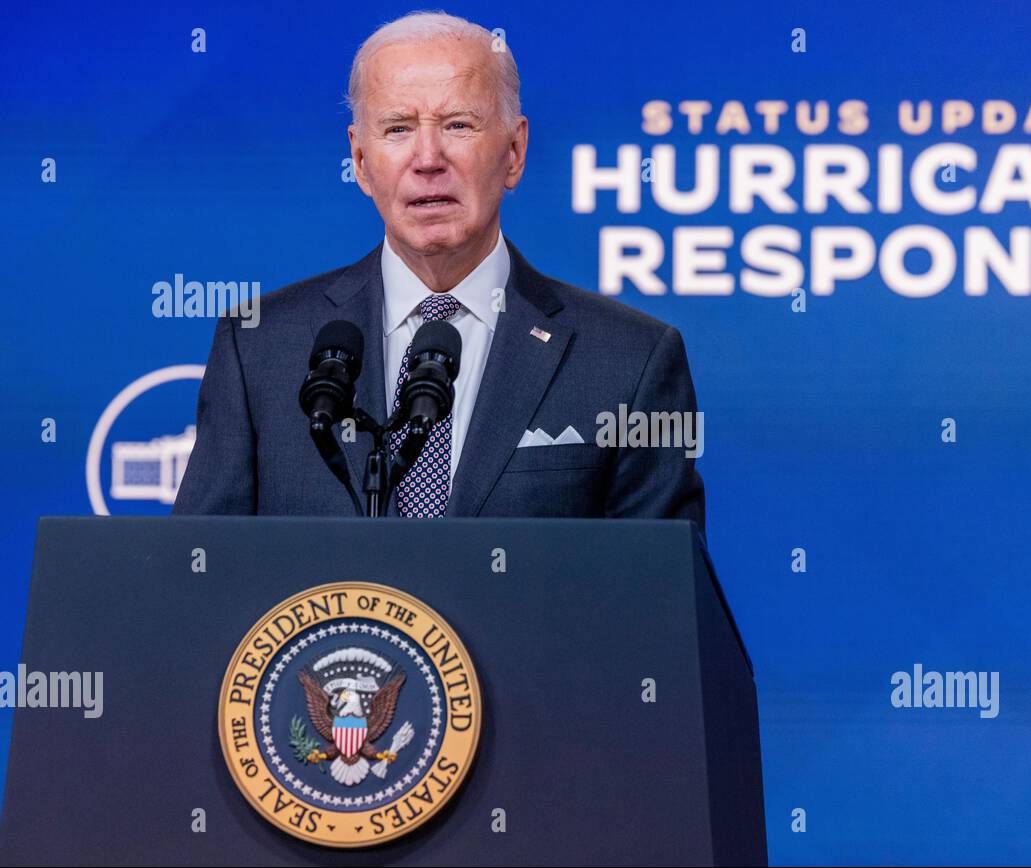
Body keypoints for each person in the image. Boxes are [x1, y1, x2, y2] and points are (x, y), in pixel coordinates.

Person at [173, 10, 704, 534]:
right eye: (398, 128)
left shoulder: (630, 361)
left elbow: (659, 603)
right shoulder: (259, 347)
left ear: (514, 151)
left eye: (458, 125)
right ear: (360, 160)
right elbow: (201, 580)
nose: (428, 158)